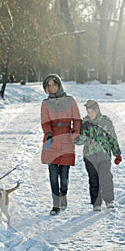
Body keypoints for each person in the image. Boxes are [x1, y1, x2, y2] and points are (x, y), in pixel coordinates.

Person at [41, 74, 81, 215]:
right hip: (52, 140)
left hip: (66, 140)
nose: (52, 88)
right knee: (53, 175)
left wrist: (74, 134)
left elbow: (76, 119)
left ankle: (63, 194)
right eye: (49, 86)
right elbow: (45, 122)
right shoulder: (45, 103)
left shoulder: (70, 101)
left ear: (59, 84)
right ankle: (55, 204)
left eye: (54, 84)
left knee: (64, 176)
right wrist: (48, 134)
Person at [75, 99, 122, 211]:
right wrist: (80, 134)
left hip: (104, 155)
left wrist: (117, 153)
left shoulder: (106, 121)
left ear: (97, 110)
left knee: (106, 178)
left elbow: (112, 138)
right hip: (90, 157)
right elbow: (78, 142)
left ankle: (109, 201)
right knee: (93, 179)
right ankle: (96, 203)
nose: (90, 114)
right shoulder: (84, 122)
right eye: (88, 112)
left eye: (92, 111)